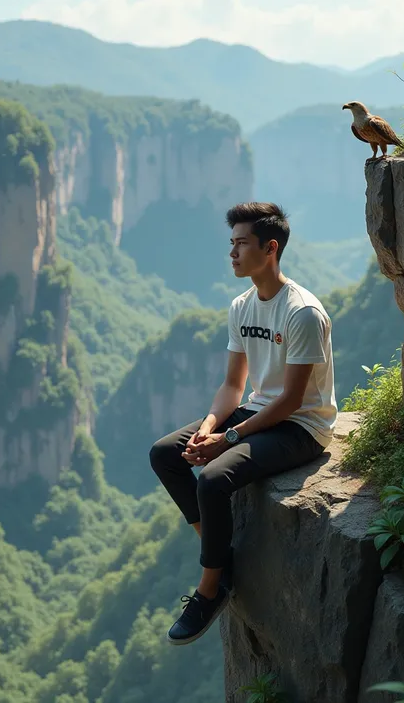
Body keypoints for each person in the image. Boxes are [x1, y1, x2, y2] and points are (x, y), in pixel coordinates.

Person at [149, 202, 337, 646]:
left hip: (301, 427)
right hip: (255, 411)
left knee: (212, 480)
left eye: (241, 244)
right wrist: (210, 426)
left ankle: (210, 589)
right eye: (230, 243)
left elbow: (292, 400)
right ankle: (219, 556)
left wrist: (228, 439)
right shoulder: (242, 305)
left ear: (270, 248)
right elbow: (234, 385)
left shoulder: (302, 313)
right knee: (165, 454)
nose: (232, 253)